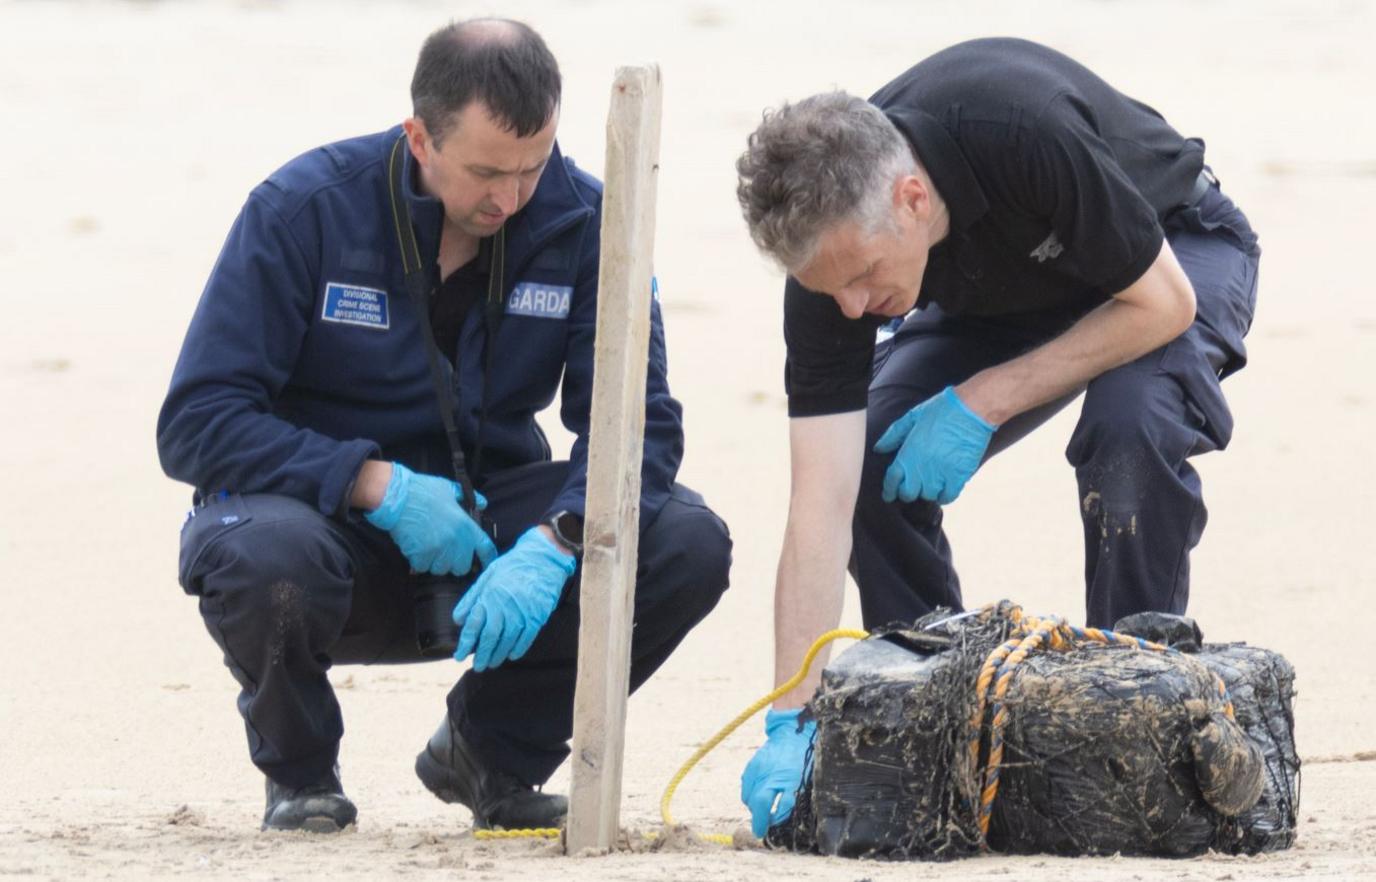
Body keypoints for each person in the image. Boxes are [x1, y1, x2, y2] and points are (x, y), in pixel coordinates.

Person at [157, 18, 731, 834]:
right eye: (488, 172)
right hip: (325, 530)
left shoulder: (586, 220)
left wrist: (562, 537)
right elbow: (195, 423)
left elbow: (640, 427)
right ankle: (302, 776)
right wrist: (372, 483)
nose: (511, 197)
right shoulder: (301, 211)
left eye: (534, 166)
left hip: (493, 532)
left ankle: (489, 751)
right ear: (419, 136)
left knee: (686, 538)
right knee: (261, 556)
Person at [732, 37, 1260, 837]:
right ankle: (936, 711)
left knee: (1127, 431)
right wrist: (790, 716)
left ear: (912, 198)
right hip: (1005, 295)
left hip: (1171, 254)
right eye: (827, 289)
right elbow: (819, 506)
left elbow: (1163, 306)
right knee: (876, 461)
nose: (851, 308)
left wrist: (984, 399)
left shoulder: (1019, 127)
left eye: (864, 277)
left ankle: (1138, 714)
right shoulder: (832, 272)